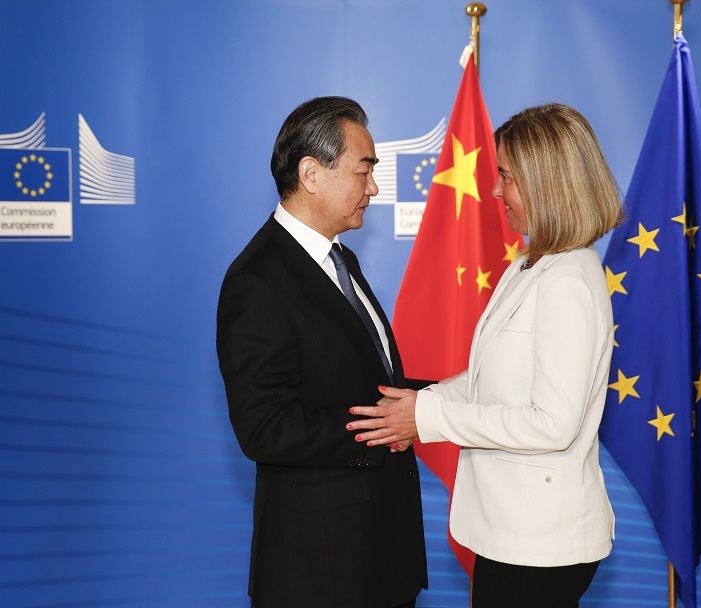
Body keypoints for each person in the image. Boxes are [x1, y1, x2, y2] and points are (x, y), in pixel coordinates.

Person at [348, 103, 623, 608]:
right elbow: (487, 377)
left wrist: (427, 417)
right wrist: (417, 403)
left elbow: (552, 424)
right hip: (514, 532)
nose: (496, 191)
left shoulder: (566, 281)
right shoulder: (532, 265)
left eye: (507, 176)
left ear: (546, 183)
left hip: (541, 545)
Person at [216, 96, 427, 608]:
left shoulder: (340, 258)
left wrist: (448, 396)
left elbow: (371, 383)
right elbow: (265, 426)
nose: (373, 188)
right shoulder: (257, 279)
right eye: (363, 171)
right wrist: (385, 428)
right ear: (311, 173)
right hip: (320, 572)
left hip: (382, 559)